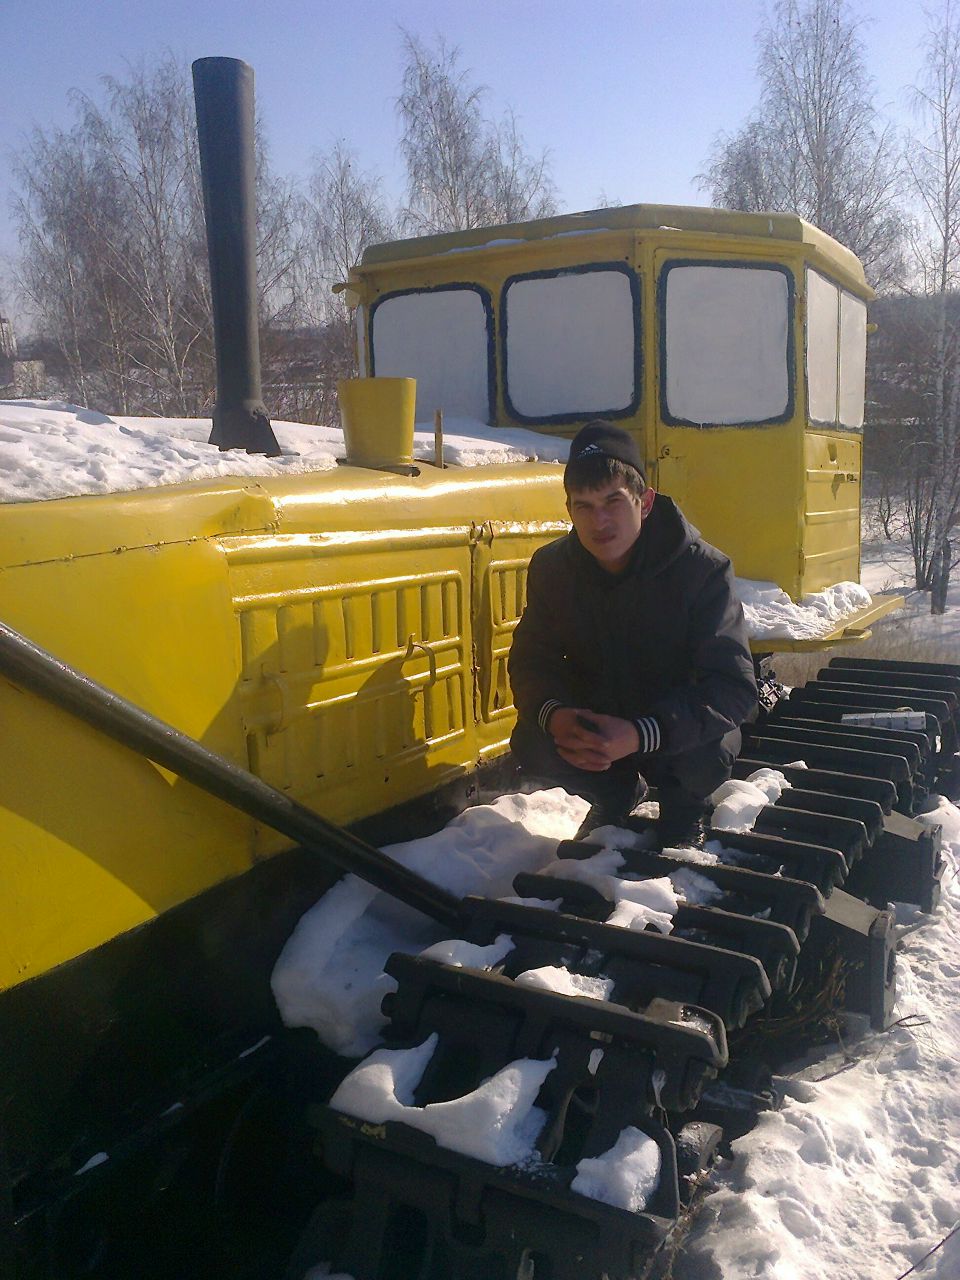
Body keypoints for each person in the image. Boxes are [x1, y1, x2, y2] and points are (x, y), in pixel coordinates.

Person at [508, 420, 758, 839]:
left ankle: (685, 806)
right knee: (533, 740)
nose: (599, 521)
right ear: (569, 510)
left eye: (613, 501)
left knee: (708, 753)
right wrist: (558, 716)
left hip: (673, 729)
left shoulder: (703, 570)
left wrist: (642, 733)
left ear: (644, 502)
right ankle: (614, 794)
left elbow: (733, 688)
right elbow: (531, 662)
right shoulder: (553, 569)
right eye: (583, 506)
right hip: (602, 723)